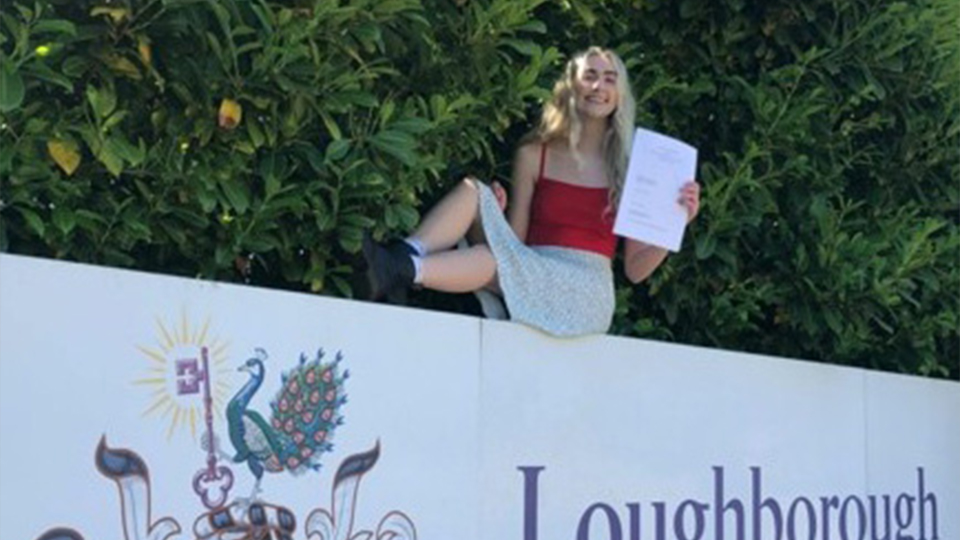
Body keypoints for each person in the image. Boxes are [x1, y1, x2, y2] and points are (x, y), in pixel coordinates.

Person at [362, 46, 701, 337]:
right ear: (571, 86)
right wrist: (497, 211)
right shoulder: (533, 155)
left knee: (495, 261)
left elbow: (636, 271)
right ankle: (399, 258)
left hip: (585, 292)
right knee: (473, 191)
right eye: (589, 76)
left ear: (619, 95)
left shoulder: (629, 171)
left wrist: (677, 222)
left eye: (610, 78)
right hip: (533, 264)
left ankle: (402, 270)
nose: (599, 86)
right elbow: (516, 242)